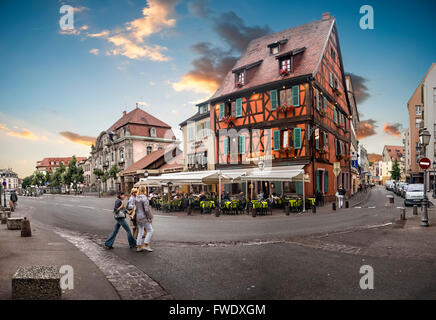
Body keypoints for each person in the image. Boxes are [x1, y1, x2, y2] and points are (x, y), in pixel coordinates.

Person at [135, 186, 154, 252]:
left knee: (140, 231)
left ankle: (139, 246)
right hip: (144, 217)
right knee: (150, 230)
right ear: (144, 190)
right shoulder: (145, 198)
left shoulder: (136, 198)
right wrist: (149, 218)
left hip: (138, 217)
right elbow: (146, 210)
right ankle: (146, 245)